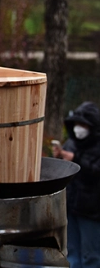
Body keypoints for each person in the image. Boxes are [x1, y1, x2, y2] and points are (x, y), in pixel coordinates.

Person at [52, 101, 100, 268]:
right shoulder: (71, 143)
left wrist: (76, 160)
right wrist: (59, 157)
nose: (79, 128)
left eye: (83, 124)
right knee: (72, 253)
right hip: (71, 207)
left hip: (92, 212)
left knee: (91, 256)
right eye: (77, 123)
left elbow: (95, 171)